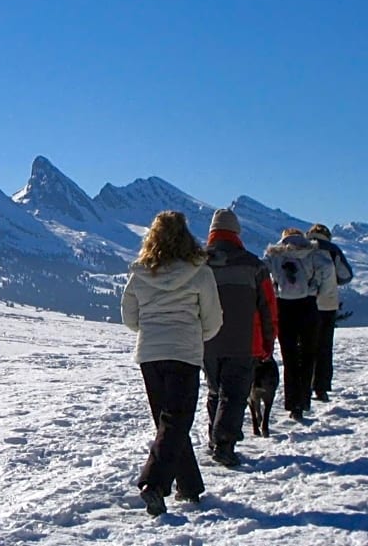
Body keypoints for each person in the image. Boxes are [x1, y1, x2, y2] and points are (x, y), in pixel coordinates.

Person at [121, 211, 223, 516]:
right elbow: (213, 318)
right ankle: (153, 483)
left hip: (150, 355)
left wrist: (150, 329)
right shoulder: (199, 272)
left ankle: (189, 485)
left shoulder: (140, 273)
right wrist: (195, 335)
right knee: (176, 421)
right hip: (184, 353)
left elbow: (129, 316)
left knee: (169, 423)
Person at [203, 209, 277, 467]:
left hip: (207, 341)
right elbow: (269, 308)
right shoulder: (254, 266)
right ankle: (224, 445)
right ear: (237, 233)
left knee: (215, 391)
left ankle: (214, 439)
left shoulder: (199, 265)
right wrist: (268, 342)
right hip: (244, 341)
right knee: (234, 395)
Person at [263, 228, 334, 421]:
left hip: (283, 307)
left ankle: (292, 403)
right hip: (308, 306)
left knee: (290, 358)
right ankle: (304, 400)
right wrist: (320, 291)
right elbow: (328, 268)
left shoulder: (274, 254)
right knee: (308, 354)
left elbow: (261, 272)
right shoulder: (312, 253)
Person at [306, 223, 354, 402]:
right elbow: (346, 275)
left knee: (305, 346)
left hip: (305, 304)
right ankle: (321, 387)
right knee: (324, 346)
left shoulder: (302, 247)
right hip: (327, 305)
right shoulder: (332, 250)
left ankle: (304, 386)